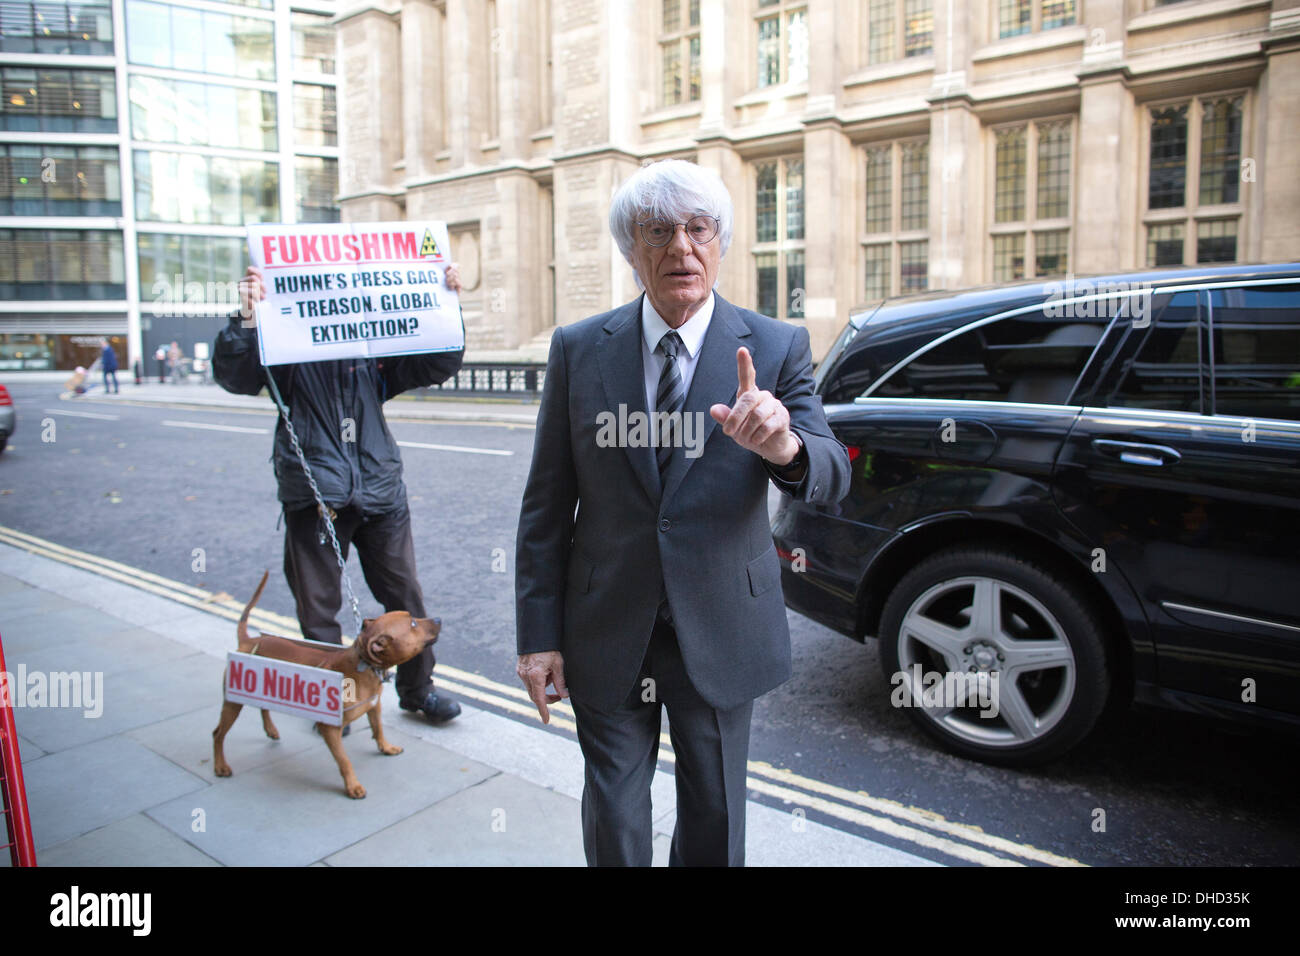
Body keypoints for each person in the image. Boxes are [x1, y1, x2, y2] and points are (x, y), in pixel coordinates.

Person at [514, 159, 851, 866]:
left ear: (720, 242)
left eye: (698, 229)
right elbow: (546, 504)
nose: (680, 247)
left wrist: (785, 444)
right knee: (613, 810)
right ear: (631, 251)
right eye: (658, 230)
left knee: (715, 810)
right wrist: (538, 637)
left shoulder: (776, 344)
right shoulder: (579, 349)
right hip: (606, 624)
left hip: (723, 623)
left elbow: (830, 474)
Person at [213, 261, 467, 725]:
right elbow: (234, 376)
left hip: (380, 489)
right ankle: (333, 698)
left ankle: (417, 691)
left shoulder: (373, 351)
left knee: (404, 597)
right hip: (315, 496)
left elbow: (436, 363)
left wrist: (446, 305)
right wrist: (247, 318)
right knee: (319, 608)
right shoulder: (284, 351)